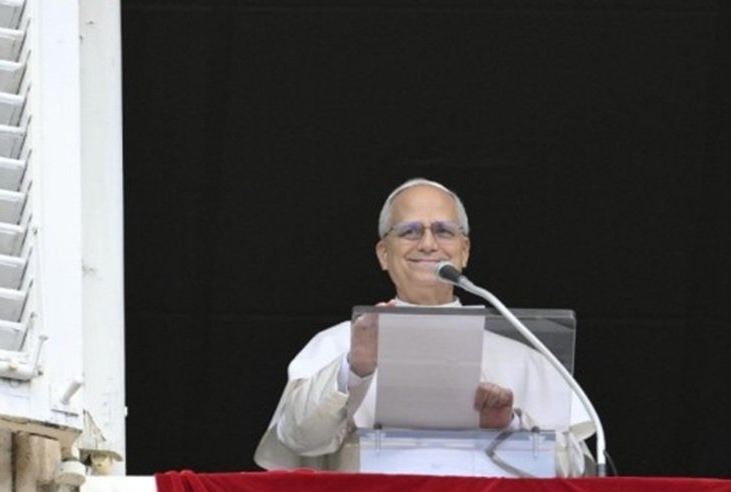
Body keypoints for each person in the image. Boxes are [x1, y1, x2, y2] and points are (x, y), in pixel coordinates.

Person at [253, 178, 593, 476]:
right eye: (410, 231)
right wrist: (354, 369)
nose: (428, 244)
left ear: (465, 252)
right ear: (384, 254)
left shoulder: (526, 357)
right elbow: (297, 438)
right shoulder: (337, 345)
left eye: (443, 230)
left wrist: (510, 426)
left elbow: (576, 470)